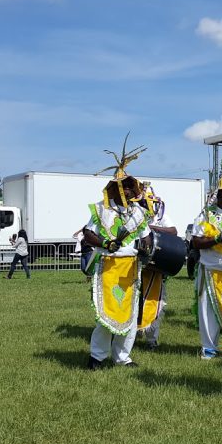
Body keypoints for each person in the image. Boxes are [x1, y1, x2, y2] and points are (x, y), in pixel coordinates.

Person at [82, 141, 153, 370]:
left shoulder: (139, 213)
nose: (129, 191)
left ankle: (123, 357)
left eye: (131, 187)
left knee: (130, 314)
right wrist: (105, 242)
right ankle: (97, 357)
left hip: (131, 268)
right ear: (114, 189)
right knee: (106, 314)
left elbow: (147, 236)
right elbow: (87, 234)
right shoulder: (101, 210)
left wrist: (146, 248)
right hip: (107, 267)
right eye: (124, 186)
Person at [190, 178, 222, 359]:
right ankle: (209, 347)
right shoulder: (207, 215)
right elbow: (196, 242)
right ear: (218, 193)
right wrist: (216, 239)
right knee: (208, 310)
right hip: (210, 270)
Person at [134, 185, 176, 350]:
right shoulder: (133, 214)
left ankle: (151, 340)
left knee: (154, 301)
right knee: (132, 302)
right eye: (145, 202)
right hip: (134, 267)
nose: (148, 205)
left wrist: (150, 228)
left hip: (154, 268)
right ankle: (127, 336)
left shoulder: (160, 215)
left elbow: (173, 230)